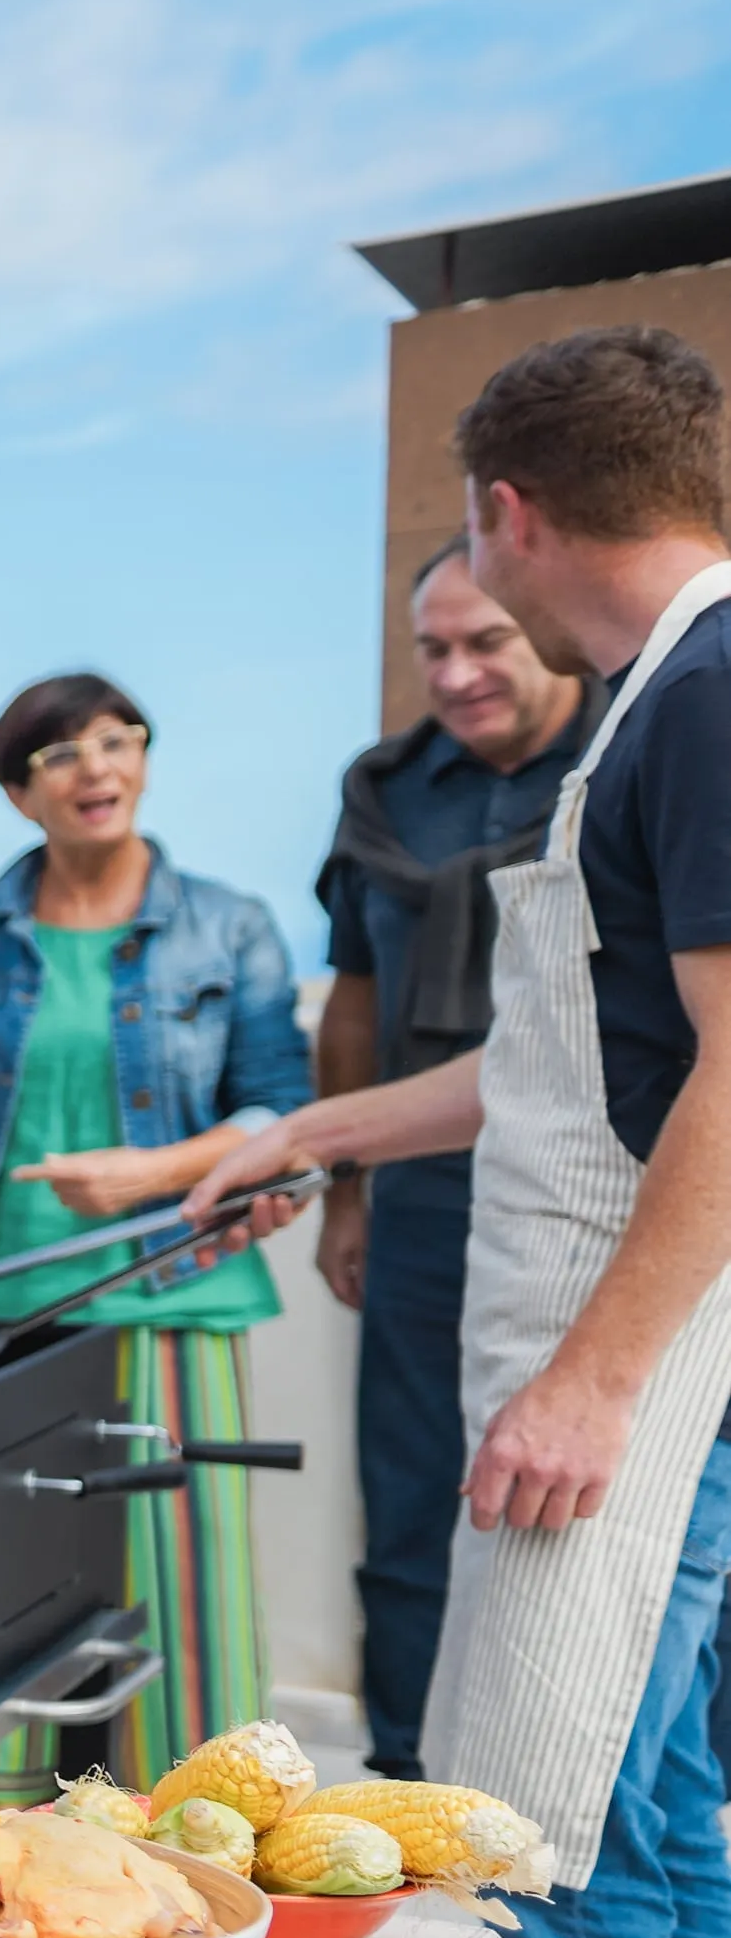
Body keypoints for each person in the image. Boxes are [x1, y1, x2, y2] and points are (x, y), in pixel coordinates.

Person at [191, 325, 731, 1938]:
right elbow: (571, 1066)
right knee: (661, 1803)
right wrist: (306, 1135)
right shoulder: (673, 695)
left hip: (624, 1368)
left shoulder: (708, 696)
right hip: (618, 1345)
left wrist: (591, 1381)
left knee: (536, 1822)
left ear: (506, 514)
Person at [0, 674, 309, 1785]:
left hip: (178, 1296)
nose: (99, 767)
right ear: (19, 792)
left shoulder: (230, 925)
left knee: (193, 1605)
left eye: (120, 740)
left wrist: (152, 1175)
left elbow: (282, 1111)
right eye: (64, 753)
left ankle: (206, 1850)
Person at [313, 543, 600, 1779]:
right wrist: (346, 1185)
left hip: (596, 1188)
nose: (460, 671)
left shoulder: (624, 762)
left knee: (584, 1508)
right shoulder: (386, 790)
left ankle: (556, 1789)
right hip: (420, 1190)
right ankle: (405, 1785)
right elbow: (354, 1002)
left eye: (487, 640)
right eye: (435, 648)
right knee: (414, 1495)